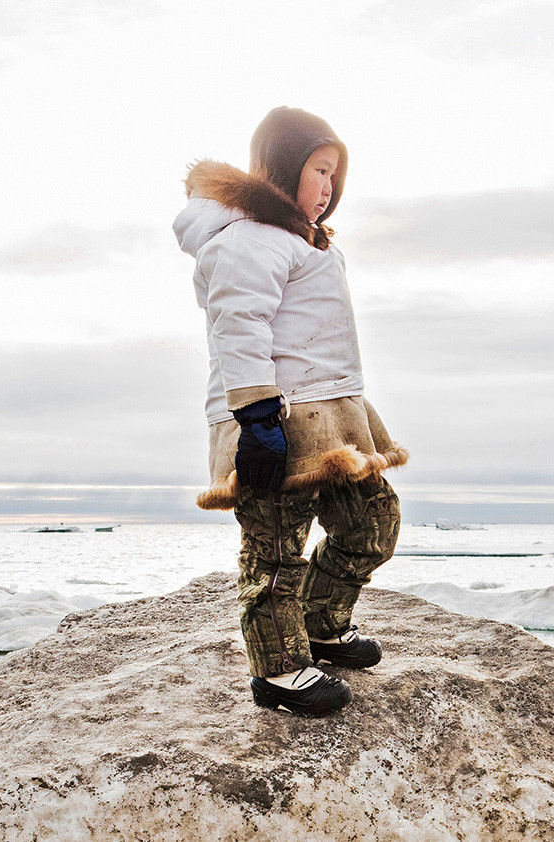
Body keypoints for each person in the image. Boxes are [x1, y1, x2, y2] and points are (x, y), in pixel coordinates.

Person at [172, 106, 408, 717]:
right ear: (278, 168)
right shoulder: (246, 239)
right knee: (275, 547)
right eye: (317, 170)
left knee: (371, 520)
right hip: (271, 420)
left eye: (336, 174)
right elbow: (239, 326)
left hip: (332, 414)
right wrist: (255, 421)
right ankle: (279, 668)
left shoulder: (308, 243)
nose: (328, 187)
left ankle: (323, 623)